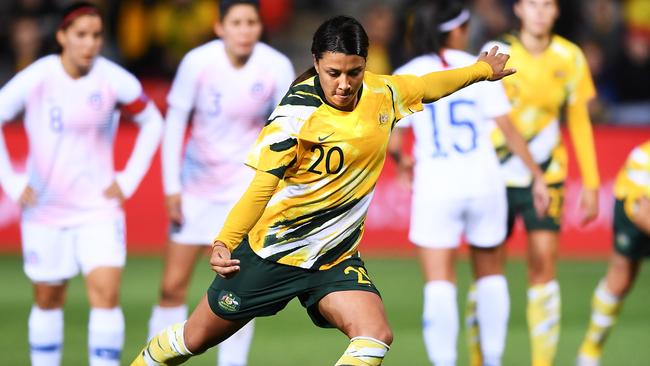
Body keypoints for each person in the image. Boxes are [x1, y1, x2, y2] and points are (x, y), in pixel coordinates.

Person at [130, 15, 514, 366]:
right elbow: (262, 187)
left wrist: (481, 70)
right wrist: (224, 241)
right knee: (193, 339)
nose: (344, 84)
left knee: (375, 336)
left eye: (354, 72)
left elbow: (429, 86)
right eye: (333, 73)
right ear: (316, 63)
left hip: (333, 258)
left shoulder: (383, 93)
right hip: (273, 254)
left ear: (365, 65)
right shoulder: (295, 115)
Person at [0, 2, 163, 366]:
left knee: (105, 296)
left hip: (98, 210)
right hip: (46, 209)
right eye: (81, 35)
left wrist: (129, 178)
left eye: (96, 36)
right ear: (62, 37)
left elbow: (152, 121)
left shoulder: (112, 78)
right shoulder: (39, 76)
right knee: (47, 299)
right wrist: (11, 181)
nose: (89, 44)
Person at [389, 2, 549, 366]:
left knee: (439, 282)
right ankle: (492, 360)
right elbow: (509, 131)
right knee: (491, 275)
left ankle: (444, 362)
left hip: (436, 185)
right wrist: (537, 176)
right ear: (457, 30)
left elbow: (395, 140)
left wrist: (402, 164)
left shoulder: (409, 73)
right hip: (483, 181)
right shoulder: (480, 68)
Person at [147, 1, 294, 365]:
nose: (245, 30)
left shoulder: (276, 66)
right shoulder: (197, 63)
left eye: (252, 23)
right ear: (219, 27)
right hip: (196, 189)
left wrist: (279, 192)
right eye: (237, 23)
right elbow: (176, 123)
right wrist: (171, 187)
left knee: (237, 293)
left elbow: (287, 132)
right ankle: (155, 359)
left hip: (245, 195)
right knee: (172, 286)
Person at [465, 1, 601, 366]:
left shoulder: (569, 57)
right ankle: (481, 360)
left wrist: (590, 182)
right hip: (494, 175)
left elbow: (579, 121)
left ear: (556, 12)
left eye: (547, 5)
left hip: (548, 176)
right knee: (488, 273)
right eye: (533, 4)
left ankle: (542, 363)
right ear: (519, 10)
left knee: (543, 268)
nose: (540, 11)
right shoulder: (497, 53)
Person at [576, 141, 650, 366]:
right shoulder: (643, 161)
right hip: (634, 209)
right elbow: (642, 214)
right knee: (620, 281)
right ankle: (590, 350)